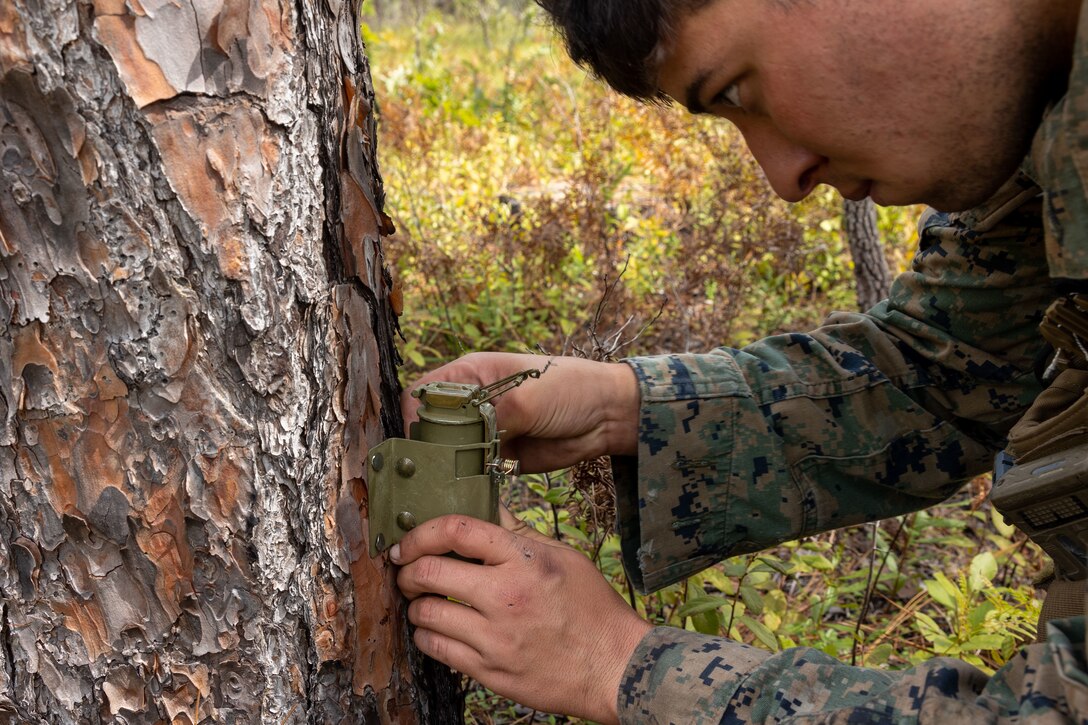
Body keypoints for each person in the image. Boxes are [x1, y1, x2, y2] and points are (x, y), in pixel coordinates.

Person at [389, 0, 1088, 721]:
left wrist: (622, 665)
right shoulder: (1050, 124)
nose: (782, 178)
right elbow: (953, 371)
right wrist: (622, 407)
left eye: (733, 89)